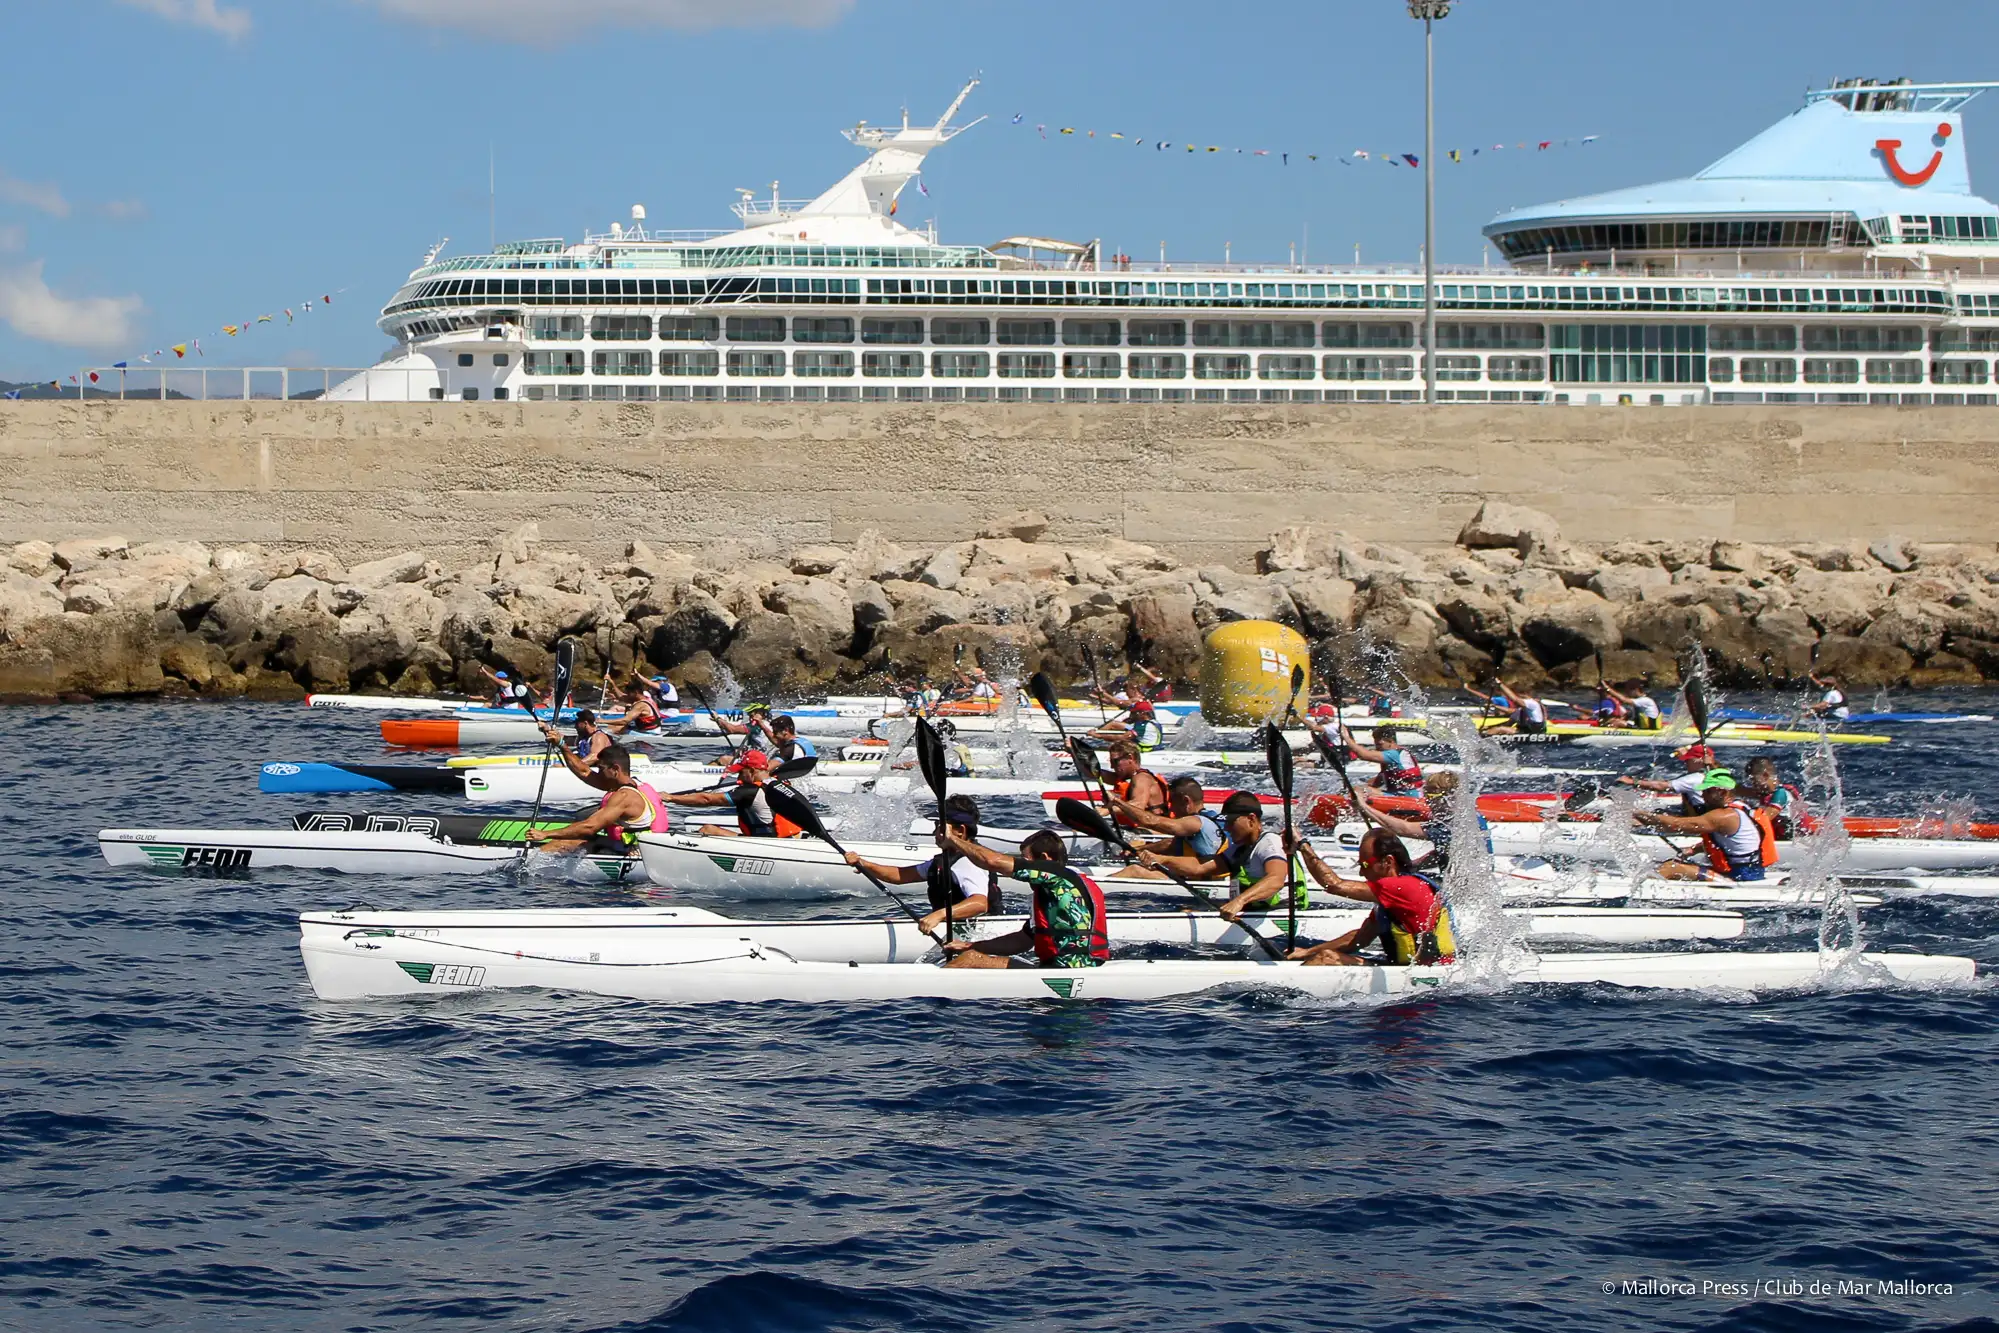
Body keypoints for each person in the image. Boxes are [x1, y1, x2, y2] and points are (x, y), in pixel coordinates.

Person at [932, 826, 1109, 969]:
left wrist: (954, 840)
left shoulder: (1055, 875)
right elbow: (1021, 941)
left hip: (1072, 968)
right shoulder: (1058, 892)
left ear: (1044, 859)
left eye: (1025, 860)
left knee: (971, 960)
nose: (1022, 866)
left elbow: (993, 862)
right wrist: (971, 946)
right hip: (1064, 966)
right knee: (971, 955)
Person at [1285, 828, 1458, 967]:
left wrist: (1302, 845)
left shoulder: (1401, 887)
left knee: (1325, 959)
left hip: (1428, 972)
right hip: (1406, 967)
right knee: (1326, 957)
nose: (1361, 872)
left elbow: (1334, 885)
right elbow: (1358, 939)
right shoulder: (1393, 897)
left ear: (1388, 862)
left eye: (1365, 864)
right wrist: (1307, 952)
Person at [1135, 791, 1308, 922]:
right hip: (1255, 911)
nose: (1228, 828)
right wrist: (1162, 859)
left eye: (1232, 822)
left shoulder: (1270, 843)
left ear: (1251, 819)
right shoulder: (1239, 848)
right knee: (1187, 911)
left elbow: (1276, 879)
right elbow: (1200, 867)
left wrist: (1239, 901)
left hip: (1282, 914)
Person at [843, 794, 997, 937]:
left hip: (975, 931)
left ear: (960, 831)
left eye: (939, 826)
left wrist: (938, 915)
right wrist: (864, 864)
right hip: (950, 924)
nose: (934, 832)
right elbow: (901, 876)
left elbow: (979, 904)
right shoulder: (947, 859)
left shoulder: (969, 862)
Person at [524, 740, 670, 854]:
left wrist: (546, 834)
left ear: (615, 770)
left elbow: (589, 827)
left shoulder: (624, 796)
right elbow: (584, 772)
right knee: (571, 840)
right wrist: (562, 744)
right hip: (632, 845)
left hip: (636, 854)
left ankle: (525, 868)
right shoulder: (635, 785)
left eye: (601, 769)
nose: (598, 773)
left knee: (562, 842)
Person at [1635, 771, 1779, 882]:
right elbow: (1733, 843)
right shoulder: (1741, 807)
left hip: (1740, 877)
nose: (1702, 795)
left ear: (1723, 792)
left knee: (1671, 868)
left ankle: (1631, 893)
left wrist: (1635, 812)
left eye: (1707, 791)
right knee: (1671, 864)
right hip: (1744, 872)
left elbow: (1675, 825)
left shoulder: (1725, 816)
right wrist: (1694, 849)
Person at [1346, 772, 1487, 875]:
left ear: (1444, 798)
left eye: (1429, 798)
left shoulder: (1450, 826)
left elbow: (1403, 828)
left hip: (1463, 888)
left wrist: (1363, 806)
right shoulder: (1470, 817)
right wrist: (1413, 865)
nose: (1428, 803)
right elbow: (1443, 852)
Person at [1104, 775, 1226, 879]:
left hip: (1202, 883)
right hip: (1192, 876)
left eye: (1173, 803)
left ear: (1186, 801)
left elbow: (1150, 821)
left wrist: (1116, 801)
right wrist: (1138, 850)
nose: (1171, 809)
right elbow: (1172, 845)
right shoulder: (1209, 818)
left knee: (1134, 870)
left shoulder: (1195, 822)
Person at [659, 748, 799, 837]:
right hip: (789, 839)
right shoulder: (781, 783)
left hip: (766, 845)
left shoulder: (748, 791)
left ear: (751, 771)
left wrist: (670, 798)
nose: (738, 777)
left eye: (740, 773)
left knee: (708, 830)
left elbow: (706, 799)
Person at [1616, 744, 1717, 816]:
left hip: (1702, 815)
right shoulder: (1716, 772)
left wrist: (1634, 782)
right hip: (1706, 811)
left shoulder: (1694, 778)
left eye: (1688, 760)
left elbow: (1662, 786)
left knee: (1645, 817)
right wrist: (1687, 754)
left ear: (1698, 761)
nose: (1685, 762)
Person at [1338, 723, 1424, 796]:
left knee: (1359, 792)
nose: (1377, 748)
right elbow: (1377, 783)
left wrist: (1346, 738)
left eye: (1379, 745)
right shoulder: (1390, 760)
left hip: (1410, 798)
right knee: (1356, 790)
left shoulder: (1395, 754)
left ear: (1391, 742)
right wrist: (1351, 787)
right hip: (1399, 794)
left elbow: (1363, 755)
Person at [1103, 738, 1169, 823]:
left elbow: (1138, 805)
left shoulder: (1142, 778)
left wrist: (1107, 809)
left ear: (1130, 758)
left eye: (1115, 761)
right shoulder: (1128, 777)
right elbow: (1098, 774)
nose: (1112, 766)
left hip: (1152, 830)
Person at [1742, 756, 1800, 840]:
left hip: (1789, 840)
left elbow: (1764, 818)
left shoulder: (1781, 794)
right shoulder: (1766, 793)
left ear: (1765, 776)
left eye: (1754, 781)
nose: (1753, 785)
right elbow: (1739, 790)